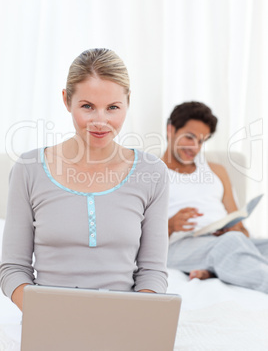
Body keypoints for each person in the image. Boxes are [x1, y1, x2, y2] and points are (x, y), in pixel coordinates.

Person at [0, 48, 169, 311]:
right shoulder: (28, 169)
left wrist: (135, 318)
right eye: (87, 106)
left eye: (113, 107)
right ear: (67, 100)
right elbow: (13, 270)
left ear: (127, 102)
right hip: (49, 324)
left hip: (124, 323)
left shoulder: (153, 172)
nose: (100, 121)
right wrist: (49, 314)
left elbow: (153, 272)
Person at [162, 101, 268, 293]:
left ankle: (213, 269)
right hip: (178, 245)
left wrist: (234, 228)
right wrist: (169, 225)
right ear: (170, 130)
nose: (194, 147)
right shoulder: (151, 172)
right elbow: (135, 234)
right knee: (231, 244)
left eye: (201, 141)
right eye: (189, 137)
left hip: (224, 241)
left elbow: (241, 229)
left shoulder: (217, 171)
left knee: (254, 243)